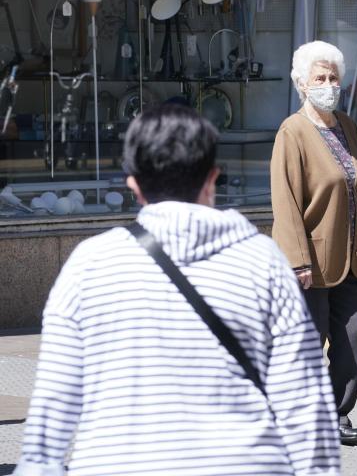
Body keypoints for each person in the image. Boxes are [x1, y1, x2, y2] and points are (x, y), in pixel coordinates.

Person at [12, 104, 340, 476]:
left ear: (132, 184)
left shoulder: (90, 264)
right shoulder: (263, 261)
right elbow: (304, 404)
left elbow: (51, 416)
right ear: (212, 178)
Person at [271, 41, 357, 446]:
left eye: (333, 78)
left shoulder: (346, 125)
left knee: (353, 336)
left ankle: (336, 413)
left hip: (351, 255)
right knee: (307, 344)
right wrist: (297, 260)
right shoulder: (292, 132)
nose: (329, 84)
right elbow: (286, 201)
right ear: (302, 84)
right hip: (311, 260)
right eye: (320, 78)